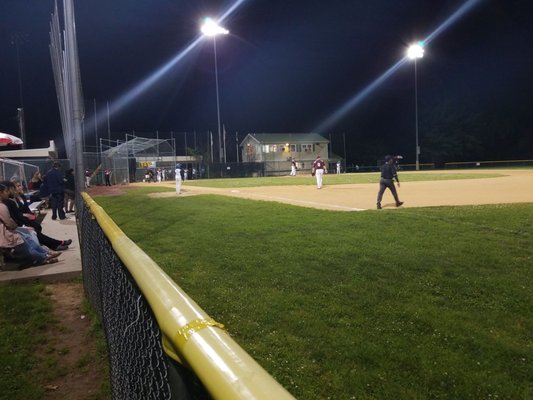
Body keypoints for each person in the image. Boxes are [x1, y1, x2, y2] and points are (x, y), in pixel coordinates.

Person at [0, 184, 61, 267]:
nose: (7, 193)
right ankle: (45, 256)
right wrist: (17, 226)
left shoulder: (11, 201)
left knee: (29, 235)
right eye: (6, 191)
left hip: (8, 231)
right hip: (5, 235)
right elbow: (10, 223)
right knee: (27, 244)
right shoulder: (2, 206)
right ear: (1, 193)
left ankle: (46, 253)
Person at [3, 180, 71, 251]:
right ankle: (55, 244)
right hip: (17, 225)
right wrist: (24, 225)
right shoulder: (8, 202)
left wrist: (29, 215)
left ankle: (55, 244)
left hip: (21, 222)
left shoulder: (18, 198)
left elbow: (22, 211)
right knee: (34, 229)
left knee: (36, 227)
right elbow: (14, 218)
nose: (20, 187)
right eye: (16, 187)